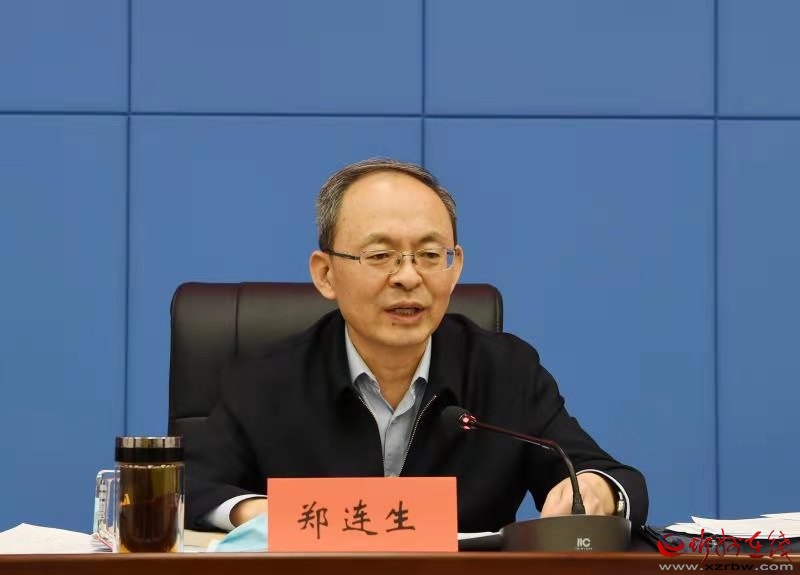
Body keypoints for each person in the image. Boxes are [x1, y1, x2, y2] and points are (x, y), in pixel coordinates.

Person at [184, 158, 648, 532]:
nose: (408, 277)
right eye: (380, 255)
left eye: (429, 255)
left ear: (455, 267)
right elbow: (188, 485)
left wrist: (597, 490)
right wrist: (263, 514)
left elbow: (614, 479)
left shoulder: (506, 372)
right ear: (326, 274)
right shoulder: (264, 380)